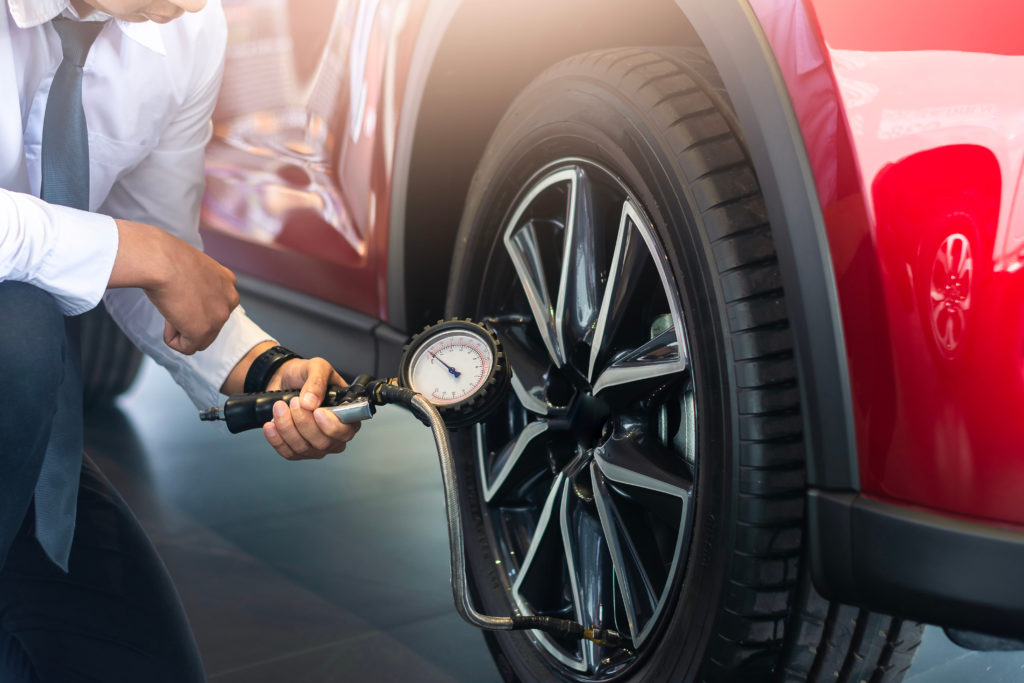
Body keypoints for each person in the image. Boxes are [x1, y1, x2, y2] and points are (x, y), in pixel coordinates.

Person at [0, 0, 357, 680]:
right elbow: (137, 253)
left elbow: (157, 274)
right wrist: (143, 251)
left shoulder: (188, 30)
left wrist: (263, 370)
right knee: (18, 330)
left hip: (17, 436)